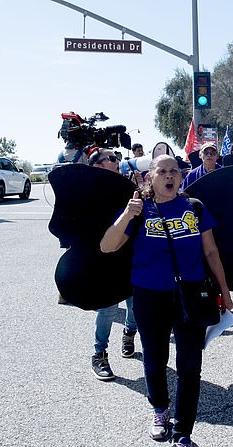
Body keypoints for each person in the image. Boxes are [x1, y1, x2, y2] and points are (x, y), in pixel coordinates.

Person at [100, 155, 232, 447]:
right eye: (163, 171)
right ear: (151, 177)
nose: (169, 176)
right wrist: (125, 217)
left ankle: (182, 436)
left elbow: (211, 251)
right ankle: (160, 409)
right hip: (148, 294)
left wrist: (225, 291)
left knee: (190, 366)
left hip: (190, 295)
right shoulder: (139, 208)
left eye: (174, 171)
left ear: (181, 176)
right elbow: (107, 247)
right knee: (155, 359)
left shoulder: (195, 208)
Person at [87, 147, 138, 381]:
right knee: (107, 309)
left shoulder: (127, 187)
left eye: (117, 158)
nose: (117, 162)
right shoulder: (88, 192)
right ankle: (99, 354)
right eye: (111, 159)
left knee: (134, 305)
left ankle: (129, 334)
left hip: (131, 256)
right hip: (105, 258)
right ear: (97, 166)